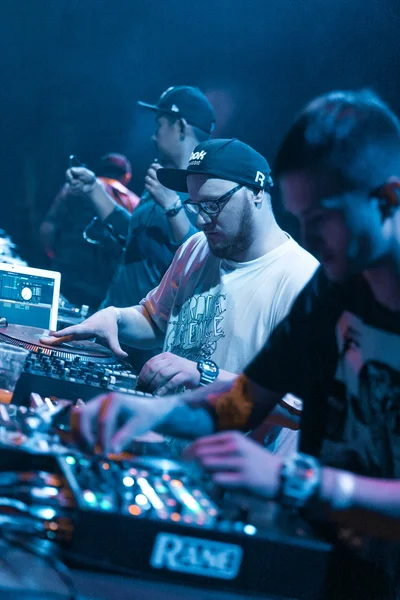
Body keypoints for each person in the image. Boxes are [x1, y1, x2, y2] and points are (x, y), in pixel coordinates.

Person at [59, 90, 400, 599]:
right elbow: (245, 399)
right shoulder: (331, 289)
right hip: (311, 562)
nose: (307, 235)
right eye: (300, 218)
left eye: (321, 218)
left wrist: (298, 482)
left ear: (387, 198)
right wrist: (151, 414)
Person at [43, 138, 318, 453]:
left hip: (225, 483)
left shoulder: (301, 280)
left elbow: (300, 406)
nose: (201, 219)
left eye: (213, 204)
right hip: (162, 455)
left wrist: (204, 374)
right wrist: (116, 318)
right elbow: (153, 320)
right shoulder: (197, 247)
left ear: (256, 193)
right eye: (195, 205)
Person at [66, 86, 215, 371]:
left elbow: (202, 255)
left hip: (144, 345)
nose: (153, 135)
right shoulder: (160, 177)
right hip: (113, 324)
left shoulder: (204, 187)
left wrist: (172, 205)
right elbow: (134, 233)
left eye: (160, 125)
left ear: (181, 127)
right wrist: (93, 189)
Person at [40, 153, 140, 310]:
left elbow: (48, 226)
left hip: (66, 272)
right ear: (126, 176)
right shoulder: (132, 201)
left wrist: (53, 256)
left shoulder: (71, 189)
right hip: (100, 284)